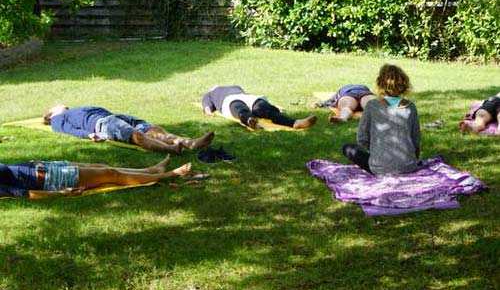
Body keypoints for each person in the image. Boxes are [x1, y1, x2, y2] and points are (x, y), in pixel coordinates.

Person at [342, 64, 420, 175]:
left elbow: (362, 138)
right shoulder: (410, 107)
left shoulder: (372, 106)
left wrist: (378, 151)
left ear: (380, 83)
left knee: (347, 148)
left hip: (379, 168)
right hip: (409, 166)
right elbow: (416, 140)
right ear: (404, 84)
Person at [43, 105, 214, 154]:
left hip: (114, 116)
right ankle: (171, 148)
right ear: (50, 115)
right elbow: (67, 130)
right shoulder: (57, 119)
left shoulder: (71, 110)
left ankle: (189, 143)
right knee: (136, 135)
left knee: (153, 129)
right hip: (102, 124)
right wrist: (87, 134)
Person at [0, 155, 192, 198]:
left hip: (44, 166)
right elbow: (24, 193)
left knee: (101, 167)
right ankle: (169, 174)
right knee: (111, 175)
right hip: (48, 179)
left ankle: (151, 170)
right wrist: (61, 193)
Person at [201, 85, 317, 130]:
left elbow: (246, 93)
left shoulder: (235, 86)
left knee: (261, 107)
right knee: (240, 109)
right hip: (229, 101)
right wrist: (207, 109)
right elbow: (206, 103)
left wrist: (273, 106)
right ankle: (251, 121)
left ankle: (296, 123)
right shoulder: (210, 93)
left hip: (246, 97)